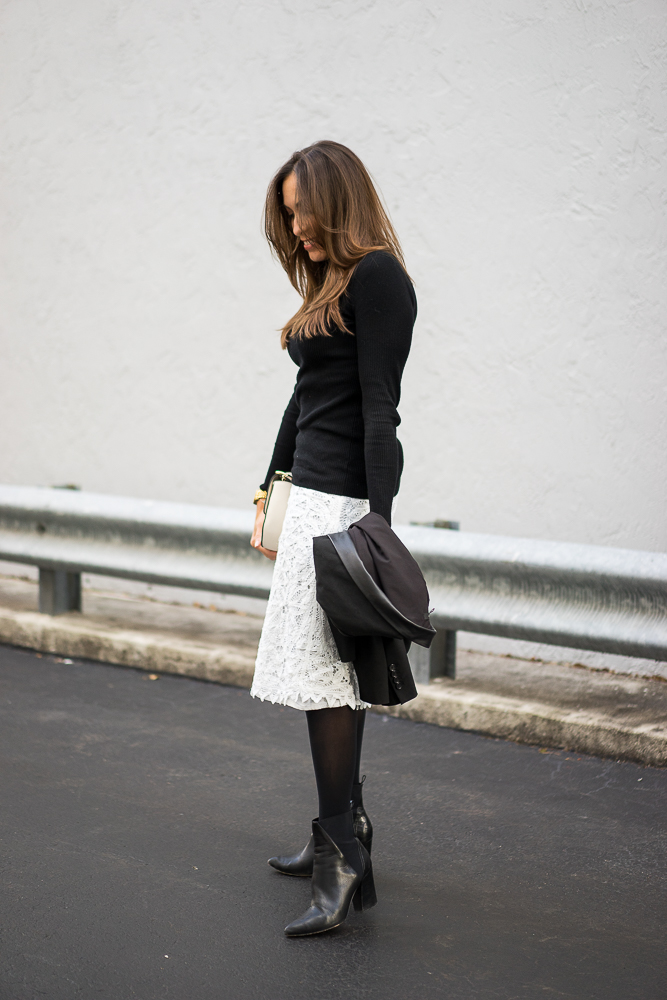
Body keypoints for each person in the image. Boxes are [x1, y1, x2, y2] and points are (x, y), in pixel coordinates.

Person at [250, 140, 417, 936]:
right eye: (287, 217)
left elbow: (380, 409)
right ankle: (342, 831)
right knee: (325, 681)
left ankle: (340, 857)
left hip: (343, 504)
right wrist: (268, 489)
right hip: (308, 499)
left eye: (301, 213)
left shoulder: (379, 278)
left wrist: (375, 524)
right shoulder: (332, 280)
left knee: (326, 684)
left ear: (335, 201)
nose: (295, 229)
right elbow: (304, 396)